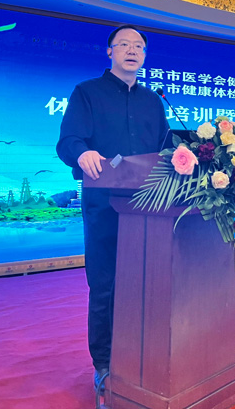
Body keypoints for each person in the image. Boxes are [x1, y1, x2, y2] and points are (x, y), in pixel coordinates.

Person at [56, 25, 169, 392]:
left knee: (149, 282)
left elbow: (166, 150)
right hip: (104, 205)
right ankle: (104, 363)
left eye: (138, 46)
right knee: (105, 284)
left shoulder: (153, 100)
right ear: (109, 51)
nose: (131, 51)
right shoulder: (87, 92)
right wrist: (82, 153)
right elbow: (68, 140)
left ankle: (146, 352)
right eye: (124, 44)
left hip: (151, 208)